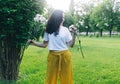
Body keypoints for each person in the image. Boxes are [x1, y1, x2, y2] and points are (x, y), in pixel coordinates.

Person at [28, 10, 77, 84]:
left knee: (67, 77)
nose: (63, 19)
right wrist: (33, 43)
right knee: (50, 78)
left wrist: (74, 35)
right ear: (57, 18)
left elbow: (71, 45)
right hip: (52, 56)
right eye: (62, 17)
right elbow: (44, 45)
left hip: (65, 56)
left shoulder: (65, 30)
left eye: (63, 17)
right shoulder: (48, 30)